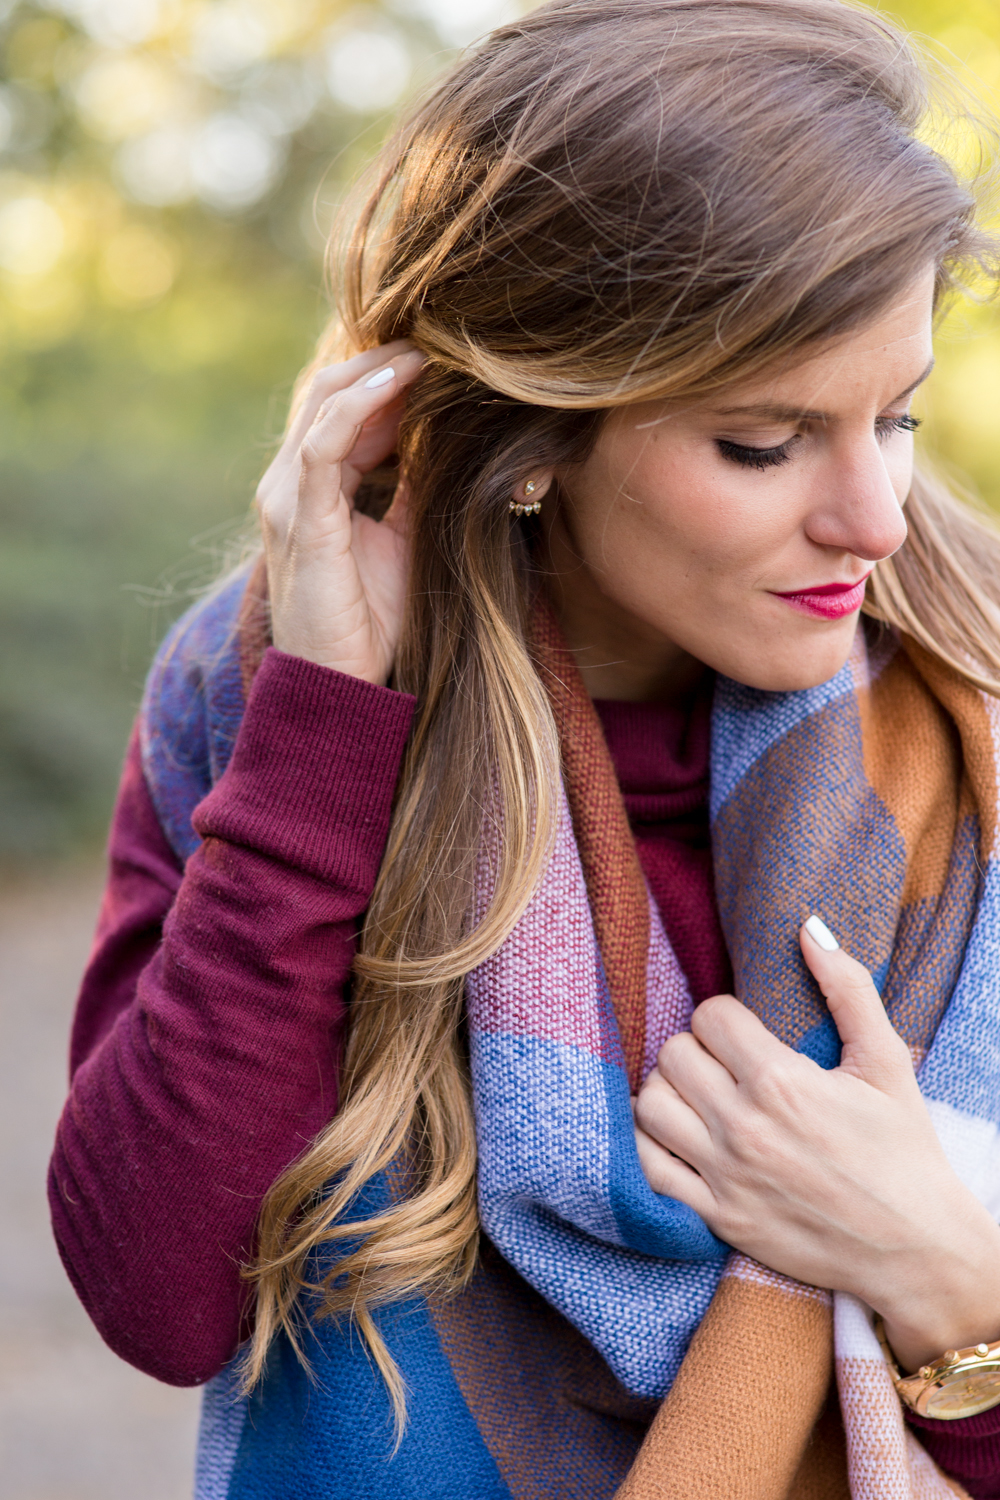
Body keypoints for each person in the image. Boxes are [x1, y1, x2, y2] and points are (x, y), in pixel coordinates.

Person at [48, 0, 1000, 1495]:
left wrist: (956, 1283)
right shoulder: (267, 703)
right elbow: (155, 1294)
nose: (872, 523)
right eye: (762, 443)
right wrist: (322, 742)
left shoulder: (977, 715)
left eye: (898, 418)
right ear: (531, 438)